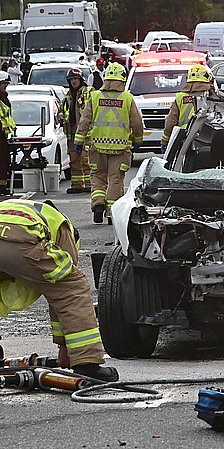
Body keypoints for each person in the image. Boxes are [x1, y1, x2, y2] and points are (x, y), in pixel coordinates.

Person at [0, 199, 119, 381]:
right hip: (20, 236)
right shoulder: (65, 228)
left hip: (11, 228)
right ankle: (87, 364)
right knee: (72, 286)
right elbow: (62, 296)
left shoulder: (27, 208)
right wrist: (66, 348)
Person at [74, 62, 143, 224]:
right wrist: (138, 140)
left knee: (98, 177)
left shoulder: (95, 97)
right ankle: (112, 213)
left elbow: (85, 120)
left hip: (97, 146)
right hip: (120, 148)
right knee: (115, 179)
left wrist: (79, 141)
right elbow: (137, 122)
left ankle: (98, 204)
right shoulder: (127, 98)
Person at [162, 64, 213, 147]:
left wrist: (165, 140)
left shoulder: (180, 97)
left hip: (184, 138)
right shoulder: (212, 95)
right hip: (207, 138)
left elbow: (171, 121)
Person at [63, 68, 93, 194]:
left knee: (86, 159)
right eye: (71, 80)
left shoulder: (89, 92)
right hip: (72, 131)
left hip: (85, 132)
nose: (74, 81)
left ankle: (90, 184)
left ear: (81, 80)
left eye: (76, 79)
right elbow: (63, 111)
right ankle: (77, 184)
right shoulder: (68, 95)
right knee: (74, 159)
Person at [0, 71, 14, 195]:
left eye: (6, 83)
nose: (6, 86)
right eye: (4, 83)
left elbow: (8, 118)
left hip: (4, 137)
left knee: (4, 162)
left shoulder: (5, 98)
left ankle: (3, 187)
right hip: (1, 136)